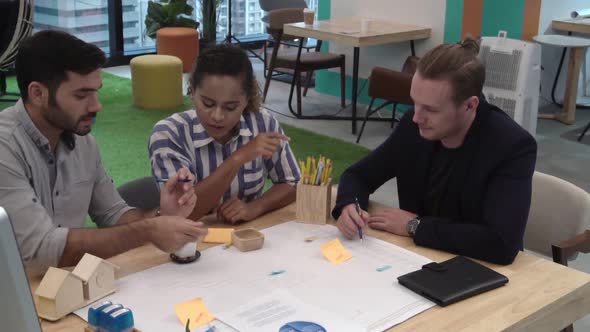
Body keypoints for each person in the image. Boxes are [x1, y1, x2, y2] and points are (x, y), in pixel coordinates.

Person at [0, 30, 207, 269]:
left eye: (96, 91)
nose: (97, 105)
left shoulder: (82, 141)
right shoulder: (6, 148)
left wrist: (162, 216)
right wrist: (148, 231)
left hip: (64, 287)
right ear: (38, 94)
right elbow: (41, 250)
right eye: (81, 95)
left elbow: (114, 215)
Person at [332, 38, 537, 265]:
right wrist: (348, 205)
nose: (417, 116)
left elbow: (501, 244)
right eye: (414, 103)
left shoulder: (511, 145)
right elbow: (359, 175)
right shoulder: (413, 125)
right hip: (418, 259)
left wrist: (415, 226)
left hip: (479, 269)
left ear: (470, 105)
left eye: (430, 109)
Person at [149, 44, 300, 223]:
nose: (217, 116)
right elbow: (179, 214)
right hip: (188, 242)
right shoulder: (168, 134)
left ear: (247, 100)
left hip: (245, 238)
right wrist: (237, 159)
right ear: (192, 91)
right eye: (207, 103)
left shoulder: (262, 122)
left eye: (230, 107)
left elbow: (294, 184)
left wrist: (255, 207)